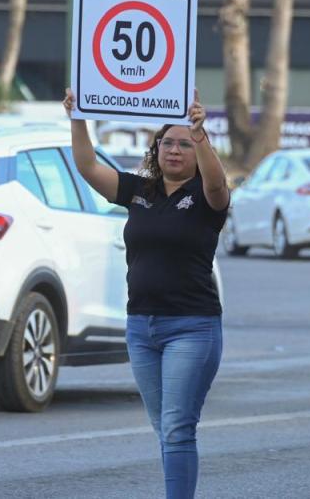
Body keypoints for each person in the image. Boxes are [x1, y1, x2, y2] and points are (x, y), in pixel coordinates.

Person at [64, 87, 230, 499]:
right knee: (165, 428)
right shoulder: (140, 190)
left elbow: (217, 182)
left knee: (176, 427)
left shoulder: (207, 198)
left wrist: (200, 132)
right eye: (167, 143)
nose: (174, 150)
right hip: (141, 328)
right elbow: (86, 166)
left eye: (184, 144)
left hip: (191, 328)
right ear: (156, 150)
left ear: (196, 151)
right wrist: (78, 116)